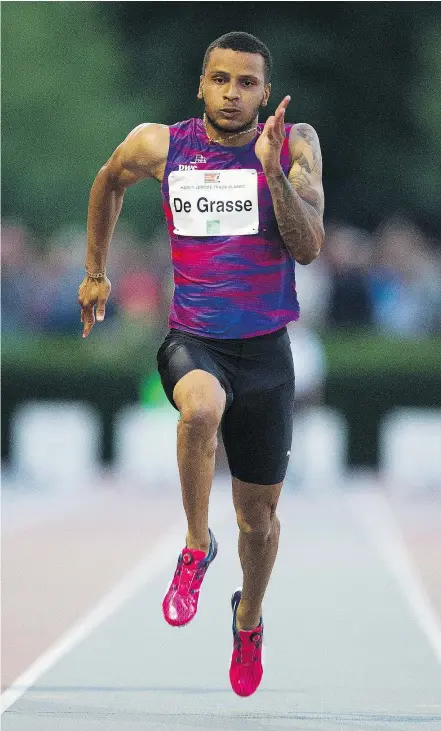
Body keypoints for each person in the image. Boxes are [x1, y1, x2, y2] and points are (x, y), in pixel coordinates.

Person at [78, 31, 324, 697]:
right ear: (201, 84)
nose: (232, 92)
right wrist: (96, 271)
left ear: (264, 93)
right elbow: (107, 180)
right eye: (220, 78)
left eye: (246, 82)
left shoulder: (295, 143)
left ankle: (247, 618)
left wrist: (271, 171)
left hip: (266, 351)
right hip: (195, 339)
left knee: (259, 523)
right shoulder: (160, 145)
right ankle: (194, 545)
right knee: (200, 409)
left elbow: (307, 246)